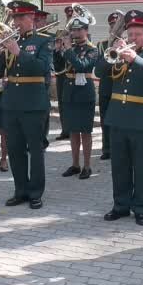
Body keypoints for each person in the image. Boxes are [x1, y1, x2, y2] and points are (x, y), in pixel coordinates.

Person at [95, 10, 143, 226]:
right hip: (117, 118)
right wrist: (111, 53)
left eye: (138, 34)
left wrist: (135, 59)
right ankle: (121, 205)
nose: (133, 38)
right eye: (131, 34)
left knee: (140, 166)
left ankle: (142, 208)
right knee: (119, 166)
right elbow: (99, 72)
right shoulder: (117, 53)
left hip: (142, 121)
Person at [0, 0, 52, 209]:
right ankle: (20, 190)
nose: (16, 22)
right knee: (15, 150)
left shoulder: (44, 40)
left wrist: (19, 52)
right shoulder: (10, 40)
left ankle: (35, 192)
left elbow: (42, 68)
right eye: (14, 17)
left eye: (20, 17)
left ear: (32, 18)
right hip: (11, 103)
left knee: (35, 150)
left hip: (34, 103)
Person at [59, 16, 100, 179]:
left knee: (85, 131)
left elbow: (82, 66)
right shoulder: (71, 48)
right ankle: (75, 164)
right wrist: (58, 50)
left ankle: (87, 166)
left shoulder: (93, 49)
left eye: (79, 29)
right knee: (73, 130)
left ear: (86, 30)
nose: (75, 32)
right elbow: (58, 67)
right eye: (74, 30)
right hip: (69, 92)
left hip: (84, 94)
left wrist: (68, 49)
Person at [94, 12, 121, 160]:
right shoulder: (102, 45)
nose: (115, 28)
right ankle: (107, 148)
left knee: (122, 119)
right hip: (107, 85)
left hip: (122, 86)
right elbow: (98, 71)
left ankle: (119, 147)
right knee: (106, 120)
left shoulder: (128, 43)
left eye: (119, 26)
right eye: (112, 25)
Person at [35, 9, 53, 150]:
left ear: (45, 22)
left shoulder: (49, 37)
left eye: (39, 20)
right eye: (35, 20)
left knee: (43, 110)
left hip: (43, 77)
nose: (36, 23)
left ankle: (42, 140)